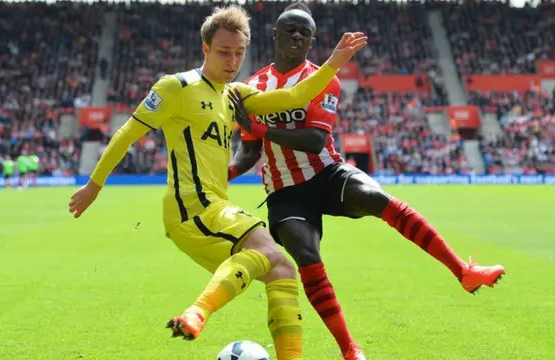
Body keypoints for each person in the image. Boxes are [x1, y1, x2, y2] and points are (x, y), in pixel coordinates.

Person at [67, 5, 367, 360]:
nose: (232, 60)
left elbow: (294, 97)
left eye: (239, 53)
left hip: (216, 206)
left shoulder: (235, 94)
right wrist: (94, 186)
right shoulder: (176, 87)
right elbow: (128, 132)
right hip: (190, 205)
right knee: (271, 253)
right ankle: (197, 313)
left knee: (283, 269)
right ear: (206, 48)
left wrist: (333, 62)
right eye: (224, 51)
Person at [228, 3, 505, 360]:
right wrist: (227, 174)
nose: (297, 36)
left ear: (312, 42)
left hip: (327, 172)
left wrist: (261, 128)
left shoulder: (324, 78)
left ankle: (464, 272)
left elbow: (314, 139)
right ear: (275, 34)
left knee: (378, 198)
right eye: (290, 30)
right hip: (284, 190)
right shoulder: (253, 87)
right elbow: (249, 151)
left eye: (305, 33)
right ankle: (350, 349)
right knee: (306, 253)